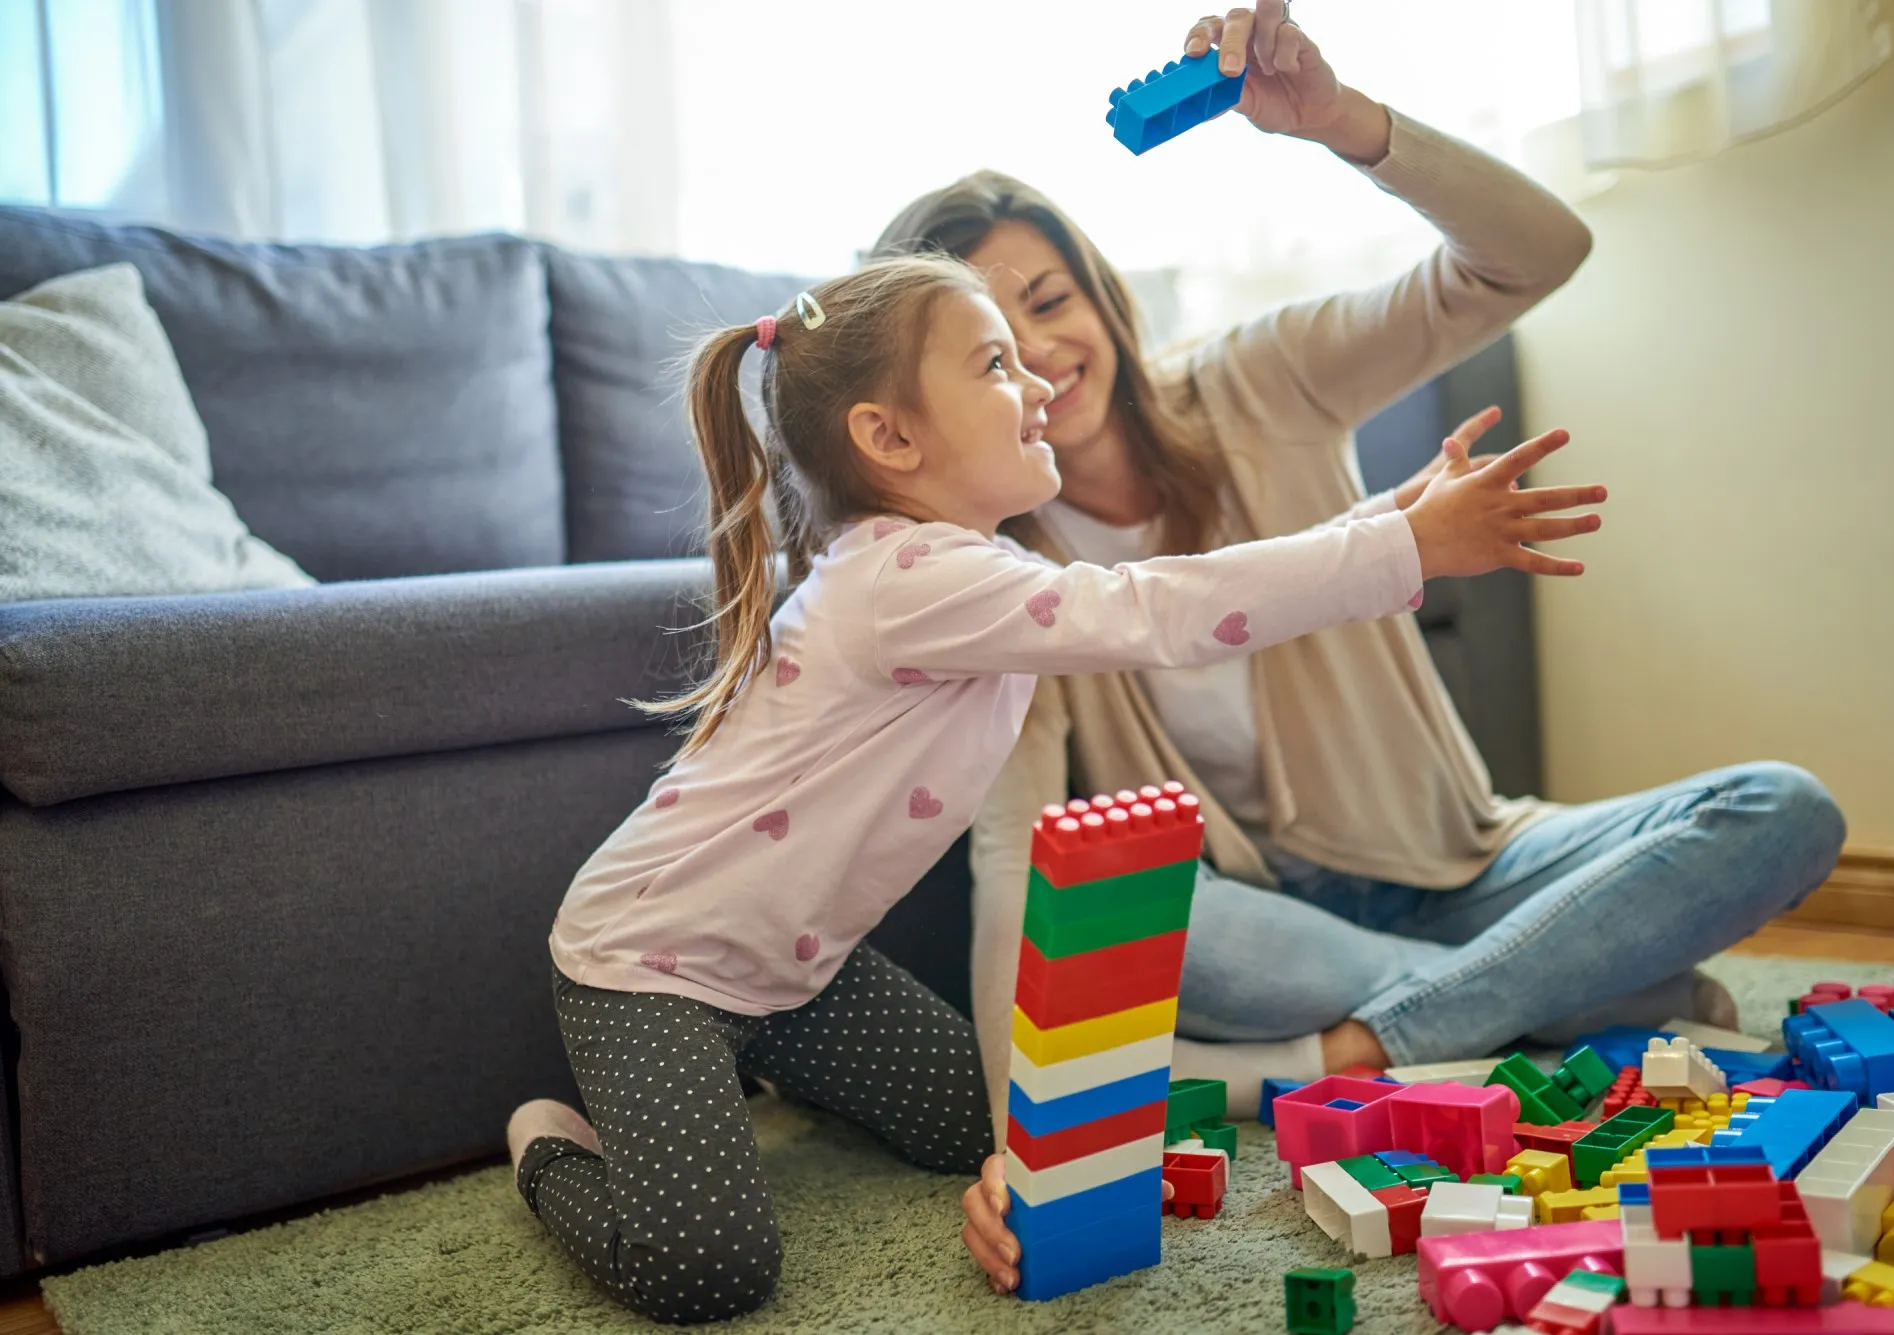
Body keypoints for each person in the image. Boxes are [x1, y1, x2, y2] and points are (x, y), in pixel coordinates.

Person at [868, 3, 1847, 1297]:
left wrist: (1342, 122)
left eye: (1050, 299)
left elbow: (1540, 251)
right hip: (1263, 919)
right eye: (995, 344)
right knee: (1103, 912)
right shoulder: (1004, 580)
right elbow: (1012, 859)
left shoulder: (1261, 376)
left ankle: (1382, 1040)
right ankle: (1588, 996)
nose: (1043, 355)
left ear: (1099, 287)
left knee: (1781, 805)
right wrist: (1021, 1153)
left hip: (1467, 858)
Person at [504, 249, 1602, 1321]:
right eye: (992, 364)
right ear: (886, 438)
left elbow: (1155, 593)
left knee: (968, 1125)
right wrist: (1402, 544)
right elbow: (1150, 611)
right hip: (648, 967)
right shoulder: (905, 580)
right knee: (709, 1273)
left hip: (793, 974)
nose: (1035, 382)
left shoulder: (968, 574)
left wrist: (1385, 521)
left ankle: (738, 1082)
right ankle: (551, 1144)